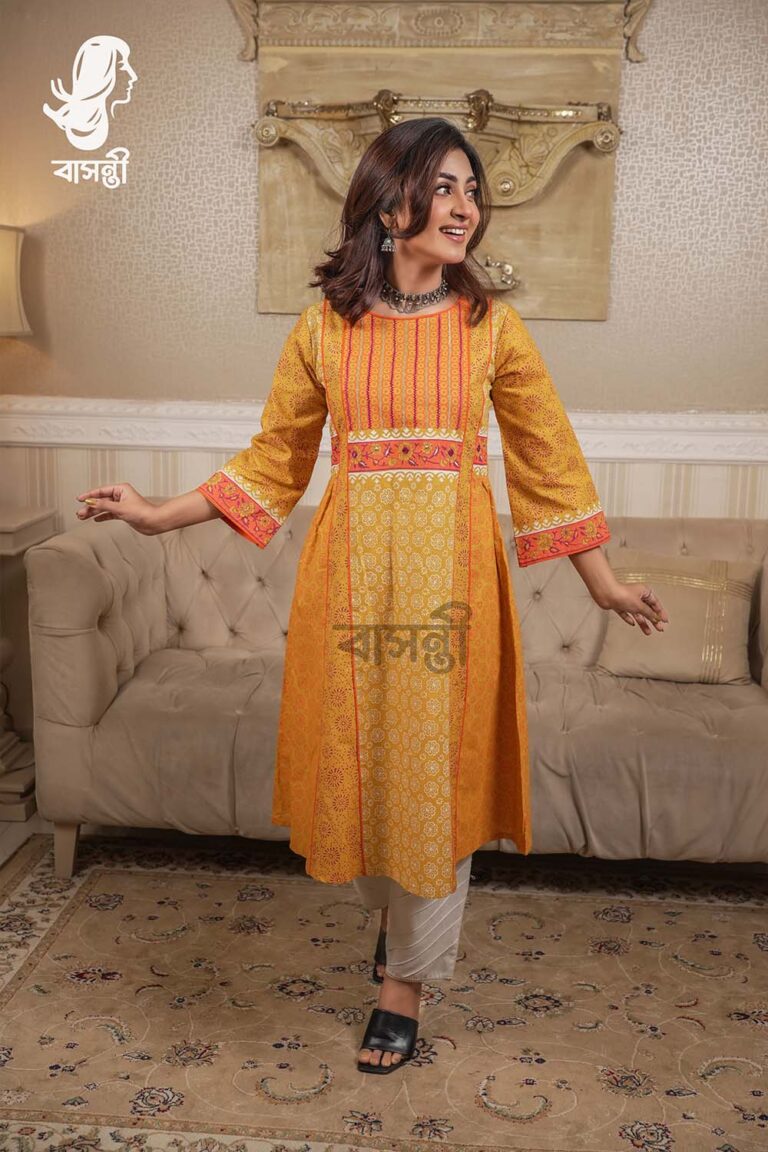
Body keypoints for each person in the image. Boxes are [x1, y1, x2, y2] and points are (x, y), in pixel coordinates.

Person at [76, 116, 669, 1077]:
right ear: (390, 207)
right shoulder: (324, 330)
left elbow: (548, 458)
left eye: (472, 190)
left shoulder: (491, 329)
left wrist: (603, 584)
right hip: (350, 585)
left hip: (454, 590)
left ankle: (404, 986)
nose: (465, 207)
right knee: (364, 776)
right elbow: (275, 460)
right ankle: (396, 926)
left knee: (437, 782)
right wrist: (156, 516)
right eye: (444, 188)